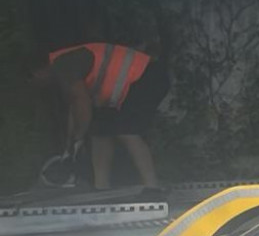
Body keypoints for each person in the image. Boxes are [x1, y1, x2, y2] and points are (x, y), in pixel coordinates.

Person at [34, 41, 169, 195]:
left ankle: (152, 187)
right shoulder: (63, 67)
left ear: (38, 72)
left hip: (146, 76)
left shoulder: (64, 65)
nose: (38, 86)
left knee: (127, 131)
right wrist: (70, 144)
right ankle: (101, 187)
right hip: (129, 86)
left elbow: (83, 103)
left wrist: (79, 137)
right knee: (100, 131)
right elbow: (75, 107)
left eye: (34, 81)